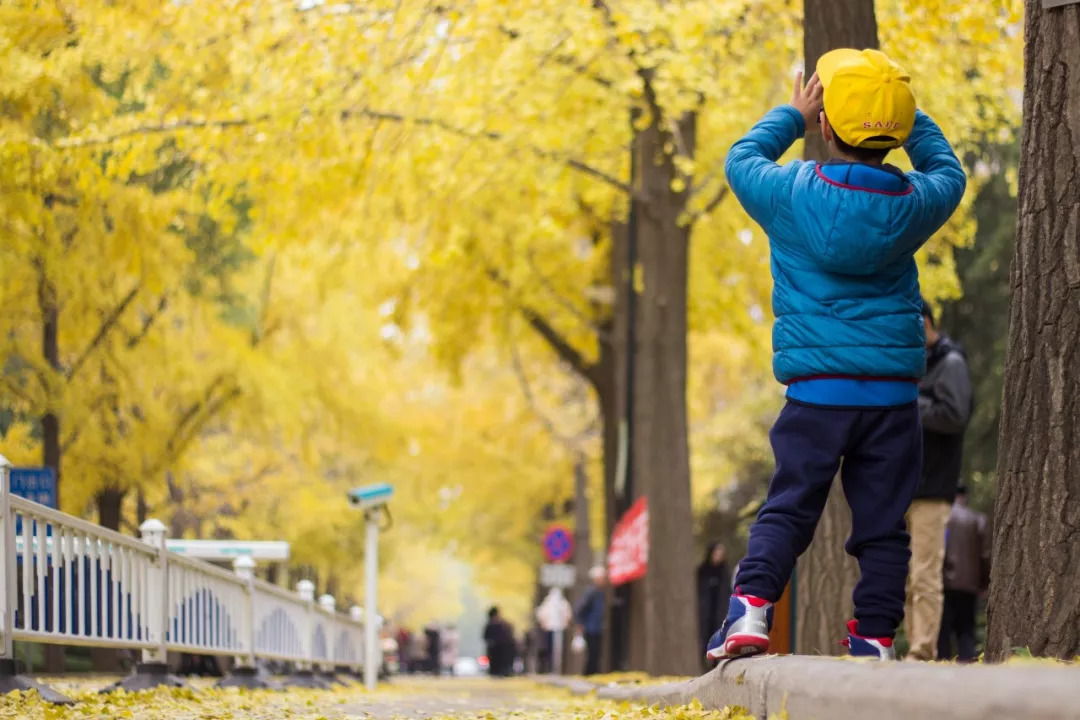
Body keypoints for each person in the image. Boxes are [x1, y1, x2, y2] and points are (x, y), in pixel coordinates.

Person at [709, 48, 965, 663]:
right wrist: (901, 114)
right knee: (883, 526)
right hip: (892, 398)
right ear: (893, 133)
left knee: (789, 508)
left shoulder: (790, 193)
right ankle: (874, 639)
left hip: (816, 393)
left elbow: (741, 158)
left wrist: (793, 114)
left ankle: (750, 613)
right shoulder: (912, 202)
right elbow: (948, 171)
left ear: (825, 123)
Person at [905, 300, 973, 660]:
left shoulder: (951, 363)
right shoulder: (914, 365)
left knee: (925, 573)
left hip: (933, 487)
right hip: (904, 486)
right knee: (902, 577)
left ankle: (921, 652)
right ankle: (910, 645)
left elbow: (955, 414)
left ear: (926, 322)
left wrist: (910, 404)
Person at [937, 484, 989, 661]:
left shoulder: (940, 518)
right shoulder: (978, 519)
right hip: (969, 583)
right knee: (966, 628)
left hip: (942, 582)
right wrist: (984, 583)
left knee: (942, 630)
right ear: (964, 497)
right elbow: (985, 554)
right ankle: (967, 664)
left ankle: (940, 665)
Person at [697, 543, 732, 660]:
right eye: (716, 553)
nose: (718, 556)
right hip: (705, 611)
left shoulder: (725, 571)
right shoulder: (702, 571)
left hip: (720, 611)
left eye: (721, 554)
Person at [574, 566, 606, 676]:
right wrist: (580, 623)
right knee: (592, 651)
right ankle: (589, 673)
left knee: (595, 652)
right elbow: (580, 608)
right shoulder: (591, 593)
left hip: (596, 626)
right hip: (591, 627)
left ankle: (593, 672)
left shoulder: (599, 592)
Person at [483, 606, 515, 677]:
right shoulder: (491, 625)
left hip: (502, 648)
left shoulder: (503, 624)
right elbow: (485, 636)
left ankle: (503, 671)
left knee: (501, 662)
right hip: (494, 648)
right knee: (495, 663)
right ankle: (496, 672)